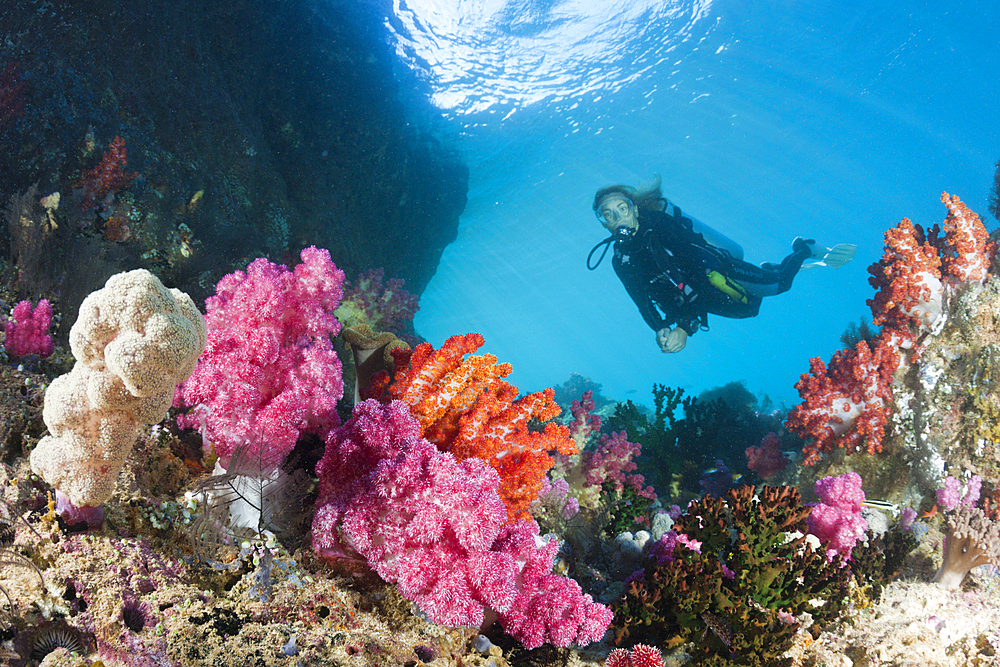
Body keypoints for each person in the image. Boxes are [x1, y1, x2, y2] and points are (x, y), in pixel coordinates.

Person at [588, 176, 854, 353]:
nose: (617, 217)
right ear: (603, 223)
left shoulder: (659, 224)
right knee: (751, 310)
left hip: (718, 270)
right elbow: (643, 302)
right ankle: (767, 268)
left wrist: (684, 326)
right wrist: (661, 329)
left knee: (779, 285)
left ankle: (805, 247)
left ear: (634, 209)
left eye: (622, 208)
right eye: (607, 215)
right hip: (696, 298)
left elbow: (696, 261)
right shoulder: (621, 261)